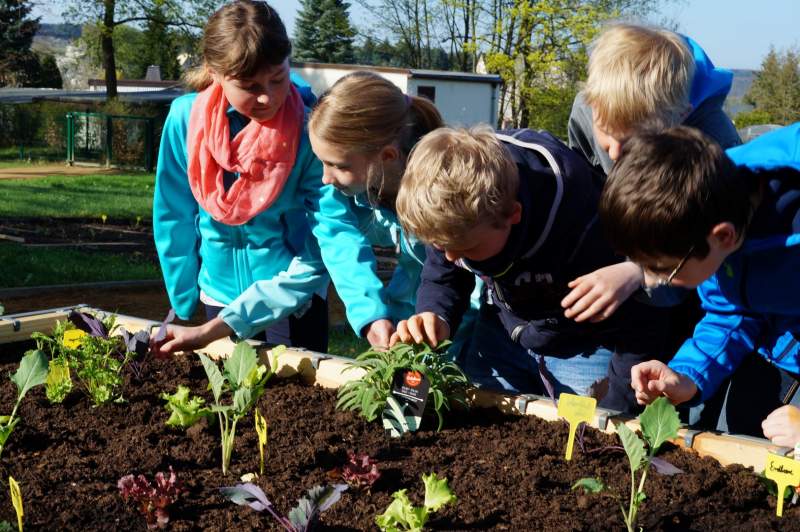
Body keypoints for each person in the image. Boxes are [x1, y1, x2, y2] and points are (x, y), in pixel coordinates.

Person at [391, 126, 670, 414]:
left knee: (586, 440)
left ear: (513, 214)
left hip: (585, 345)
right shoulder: (454, 215)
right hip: (502, 332)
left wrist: (616, 405)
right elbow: (443, 274)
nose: (452, 256)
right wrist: (436, 314)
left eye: (467, 249)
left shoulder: (585, 223)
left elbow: (642, 316)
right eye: (441, 246)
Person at [152, 1, 375, 354]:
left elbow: (332, 224)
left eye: (277, 78)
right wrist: (183, 296)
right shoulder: (185, 121)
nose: (267, 97)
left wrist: (369, 312)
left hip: (290, 297)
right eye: (250, 85)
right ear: (215, 72)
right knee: (227, 400)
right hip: (218, 293)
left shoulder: (307, 127)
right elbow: (174, 211)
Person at [598, 123, 800, 438]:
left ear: (723, 236)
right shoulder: (713, 200)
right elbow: (731, 312)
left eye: (666, 270)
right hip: (781, 349)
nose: (653, 282)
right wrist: (688, 376)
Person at [306, 71, 480, 354]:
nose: (325, 177)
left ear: (387, 157)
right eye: (322, 162)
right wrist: (372, 315)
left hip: (466, 313)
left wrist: (444, 332)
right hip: (413, 304)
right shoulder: (343, 185)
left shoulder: (446, 188)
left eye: (338, 165)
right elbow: (338, 241)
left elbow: (466, 281)